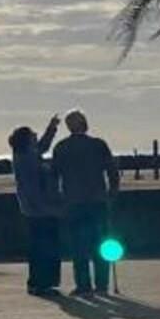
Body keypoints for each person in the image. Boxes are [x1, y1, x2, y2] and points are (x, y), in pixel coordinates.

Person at [51, 108, 120, 296]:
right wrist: (112, 193)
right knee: (100, 244)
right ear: (85, 124)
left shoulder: (61, 147)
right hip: (97, 201)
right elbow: (112, 171)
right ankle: (101, 285)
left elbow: (54, 177)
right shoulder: (98, 145)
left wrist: (58, 199)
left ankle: (83, 286)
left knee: (79, 246)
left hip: (73, 202)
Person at [8, 116, 62, 296]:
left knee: (40, 246)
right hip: (40, 210)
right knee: (44, 247)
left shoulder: (26, 155)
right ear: (26, 140)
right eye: (32, 135)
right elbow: (34, 188)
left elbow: (43, 146)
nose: (35, 135)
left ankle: (41, 283)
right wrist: (49, 208)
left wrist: (52, 128)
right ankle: (41, 283)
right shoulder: (27, 158)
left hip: (35, 209)